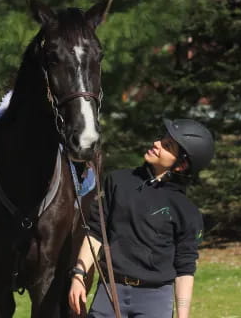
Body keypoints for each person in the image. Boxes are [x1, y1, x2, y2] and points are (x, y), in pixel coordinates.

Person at [68, 118, 215, 318]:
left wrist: (182, 315)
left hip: (155, 300)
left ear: (181, 165)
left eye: (167, 145)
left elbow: (185, 268)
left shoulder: (187, 211)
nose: (156, 143)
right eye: (161, 138)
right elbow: (95, 232)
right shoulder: (118, 181)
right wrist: (78, 275)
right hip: (110, 292)